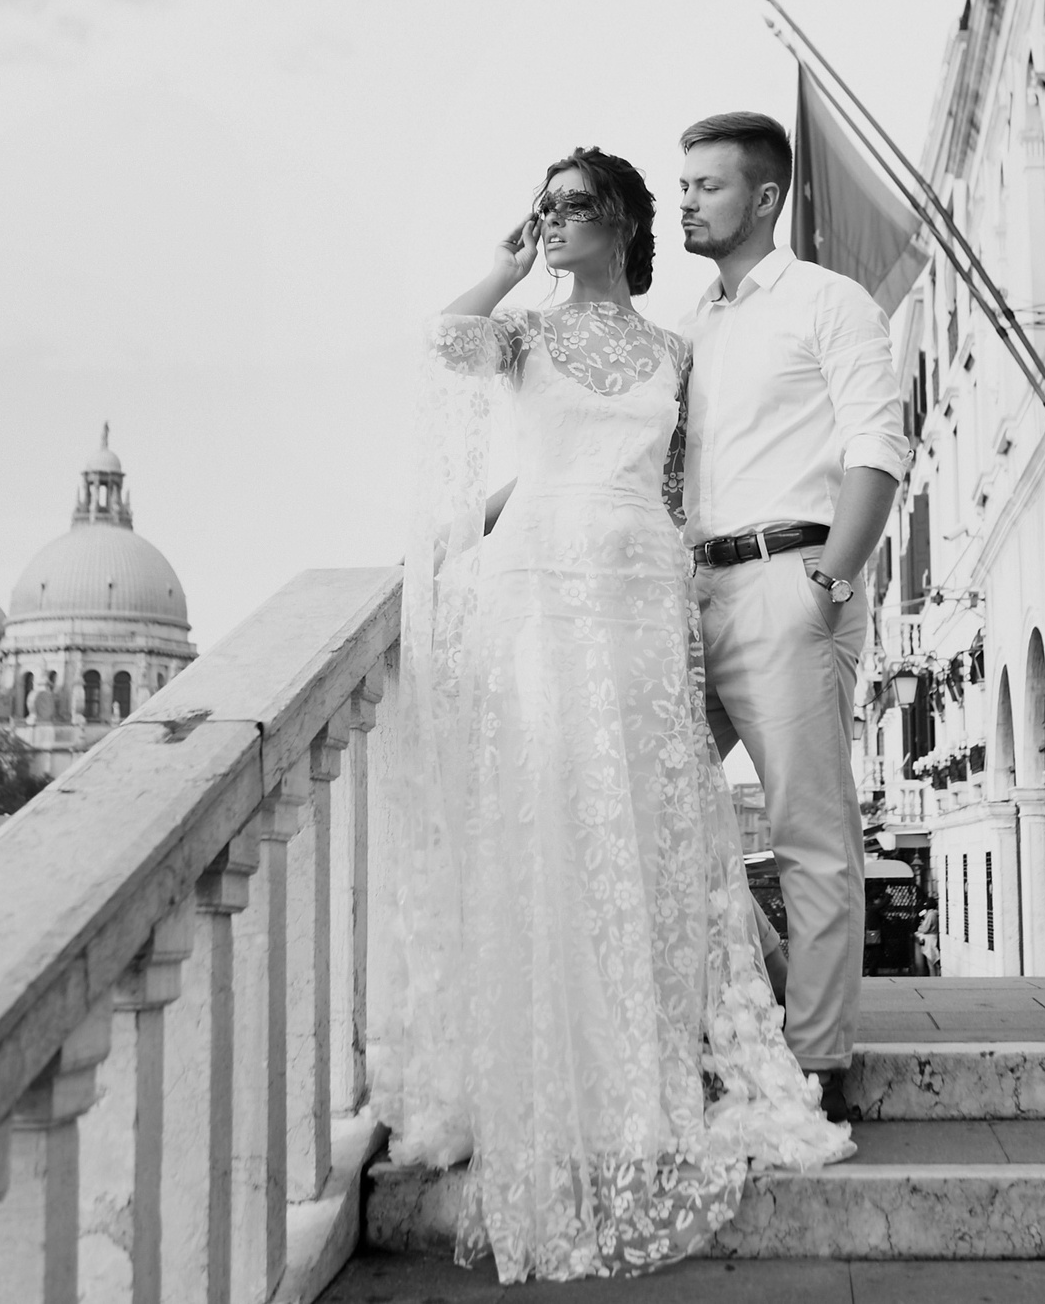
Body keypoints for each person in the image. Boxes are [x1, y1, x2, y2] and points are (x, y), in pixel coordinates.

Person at [373, 147, 850, 1286]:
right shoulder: (524, 339)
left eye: (574, 206)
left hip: (642, 592)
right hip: (538, 592)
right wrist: (497, 268)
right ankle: (547, 1072)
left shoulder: (675, 351)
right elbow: (442, 343)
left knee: (640, 825)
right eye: (544, 207)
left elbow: (680, 486)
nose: (553, 221)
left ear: (626, 221)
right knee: (548, 820)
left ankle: (639, 1068)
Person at [675, 111, 909, 1121]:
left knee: (811, 834)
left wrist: (836, 582)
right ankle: (752, 998)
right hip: (694, 592)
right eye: (680, 184)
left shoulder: (830, 302)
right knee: (652, 810)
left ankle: (817, 1062)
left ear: (763, 197)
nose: (684, 198)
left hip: (792, 577)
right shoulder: (691, 323)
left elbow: (877, 450)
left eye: (705, 184)